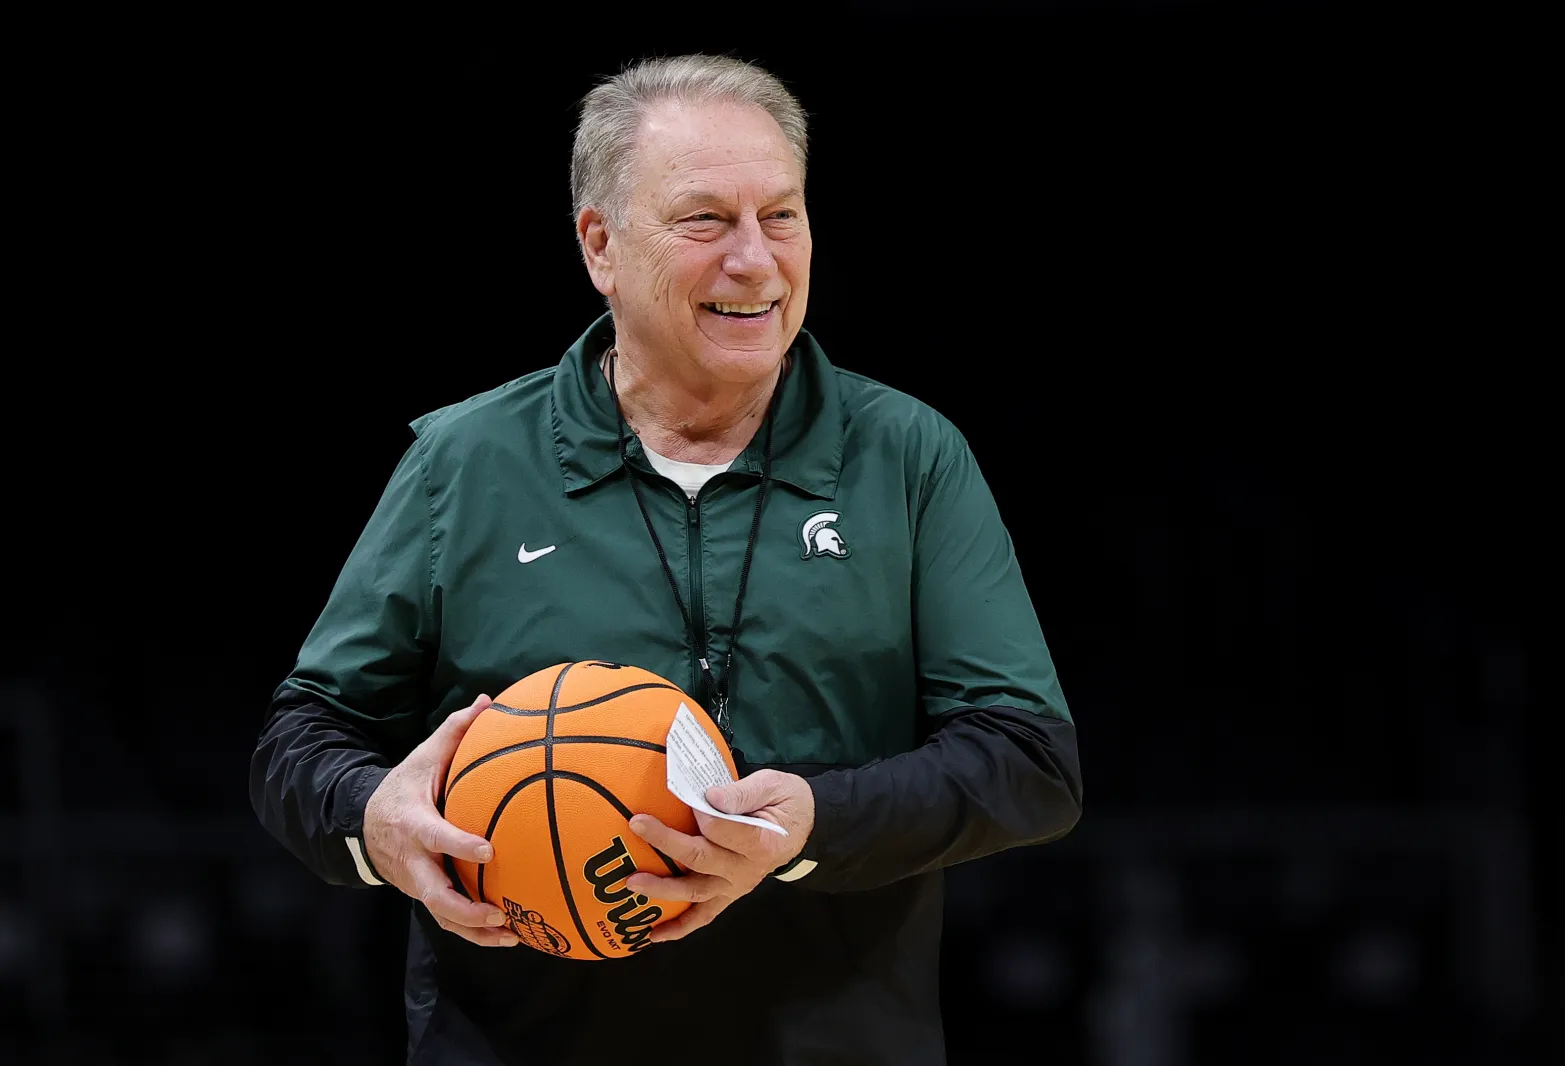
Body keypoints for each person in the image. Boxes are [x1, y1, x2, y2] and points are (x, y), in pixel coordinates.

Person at [250, 53, 1083, 1066]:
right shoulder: (466, 464)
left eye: (781, 215)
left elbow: (1031, 762)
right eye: (706, 221)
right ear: (600, 243)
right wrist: (372, 819)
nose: (756, 260)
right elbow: (301, 741)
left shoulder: (906, 456)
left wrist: (813, 820)